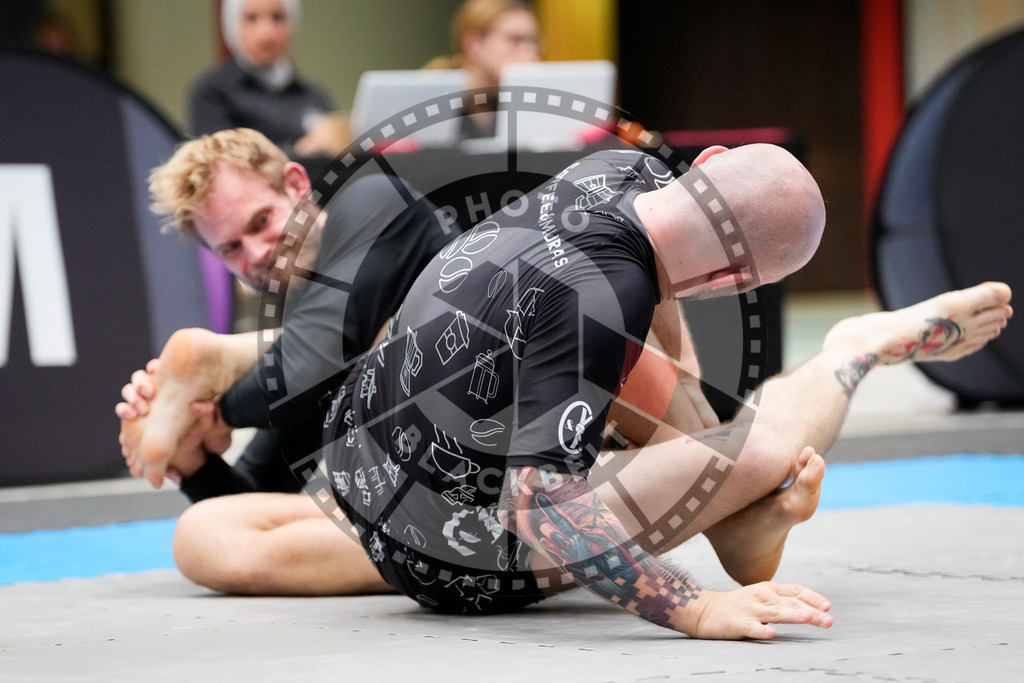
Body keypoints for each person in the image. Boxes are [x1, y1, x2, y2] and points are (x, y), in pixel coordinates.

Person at [120, 141, 1013, 637]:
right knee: (205, 532)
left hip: (384, 466)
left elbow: (637, 310)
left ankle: (786, 426)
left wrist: (681, 426)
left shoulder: (620, 171)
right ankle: (817, 392)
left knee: (741, 443)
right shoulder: (604, 303)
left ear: (704, 163)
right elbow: (540, 505)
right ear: (731, 280)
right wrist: (696, 603)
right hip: (454, 535)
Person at [188, 0, 348, 161]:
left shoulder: (313, 95)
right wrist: (298, 153)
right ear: (232, 24)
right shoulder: (213, 92)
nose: (266, 32)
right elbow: (220, 163)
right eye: (251, 18)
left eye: (277, 17)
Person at [424, 0, 541, 138]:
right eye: (515, 40)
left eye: (533, 42)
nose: (529, 52)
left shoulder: (516, 101)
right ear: (473, 44)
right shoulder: (433, 98)